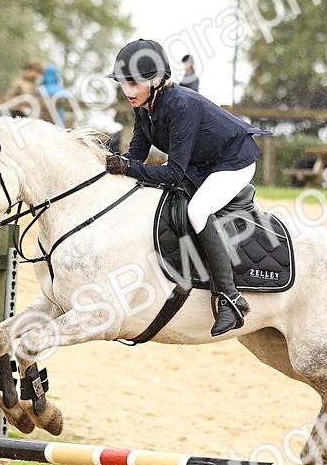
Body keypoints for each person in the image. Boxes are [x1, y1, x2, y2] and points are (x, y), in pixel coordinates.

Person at [104, 39, 271, 336]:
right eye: (124, 84)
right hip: (203, 165)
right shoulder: (145, 107)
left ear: (156, 80)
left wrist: (128, 167)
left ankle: (231, 299)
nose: (128, 91)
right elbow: (136, 157)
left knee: (197, 210)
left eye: (134, 83)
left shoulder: (181, 106)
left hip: (233, 161)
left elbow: (172, 172)